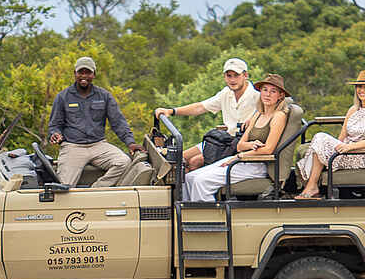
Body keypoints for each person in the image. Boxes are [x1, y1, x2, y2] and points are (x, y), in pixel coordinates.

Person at [181, 74, 293, 203]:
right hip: (242, 160)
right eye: (265, 90)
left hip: (256, 164)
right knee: (189, 178)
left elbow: (268, 150)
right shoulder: (258, 114)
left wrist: (239, 157)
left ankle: (208, 214)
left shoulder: (278, 116)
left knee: (201, 182)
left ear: (280, 96)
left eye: (273, 91)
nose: (267, 94)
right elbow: (240, 145)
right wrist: (250, 145)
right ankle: (187, 214)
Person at [47, 56, 139, 186]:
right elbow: (55, 125)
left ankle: (96, 189)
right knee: (64, 186)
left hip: (98, 145)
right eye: (81, 72)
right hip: (73, 146)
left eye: (88, 72)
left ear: (94, 75)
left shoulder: (104, 96)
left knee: (124, 162)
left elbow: (118, 122)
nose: (84, 76)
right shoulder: (63, 97)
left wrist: (130, 143)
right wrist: (55, 134)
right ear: (75, 74)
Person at [296, 70, 365, 198]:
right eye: (359, 87)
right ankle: (311, 186)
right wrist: (336, 149)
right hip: (344, 151)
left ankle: (311, 186)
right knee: (319, 140)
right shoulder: (353, 109)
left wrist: (349, 147)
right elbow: (342, 136)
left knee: (320, 137)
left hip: (360, 154)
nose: (362, 90)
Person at [159, 57, 259, 171]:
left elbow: (271, 115)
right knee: (179, 158)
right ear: (224, 77)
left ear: (245, 75)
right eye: (229, 76)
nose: (232, 80)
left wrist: (254, 119)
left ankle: (184, 181)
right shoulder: (226, 93)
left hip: (239, 145)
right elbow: (200, 107)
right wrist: (171, 111)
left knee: (195, 161)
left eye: (236, 75)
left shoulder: (257, 96)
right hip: (224, 141)